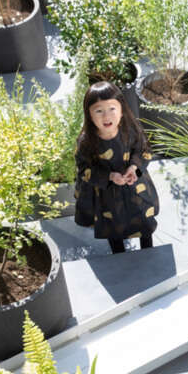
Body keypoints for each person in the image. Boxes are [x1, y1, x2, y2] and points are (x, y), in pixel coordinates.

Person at [73, 80, 159, 253]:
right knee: (113, 225)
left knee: (143, 218)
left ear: (121, 110)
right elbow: (83, 169)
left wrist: (134, 168)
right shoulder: (87, 141)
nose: (106, 116)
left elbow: (144, 150)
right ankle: (118, 253)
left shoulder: (130, 129)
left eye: (112, 108)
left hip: (134, 185)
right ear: (89, 114)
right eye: (99, 111)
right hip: (106, 195)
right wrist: (110, 176)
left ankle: (147, 250)